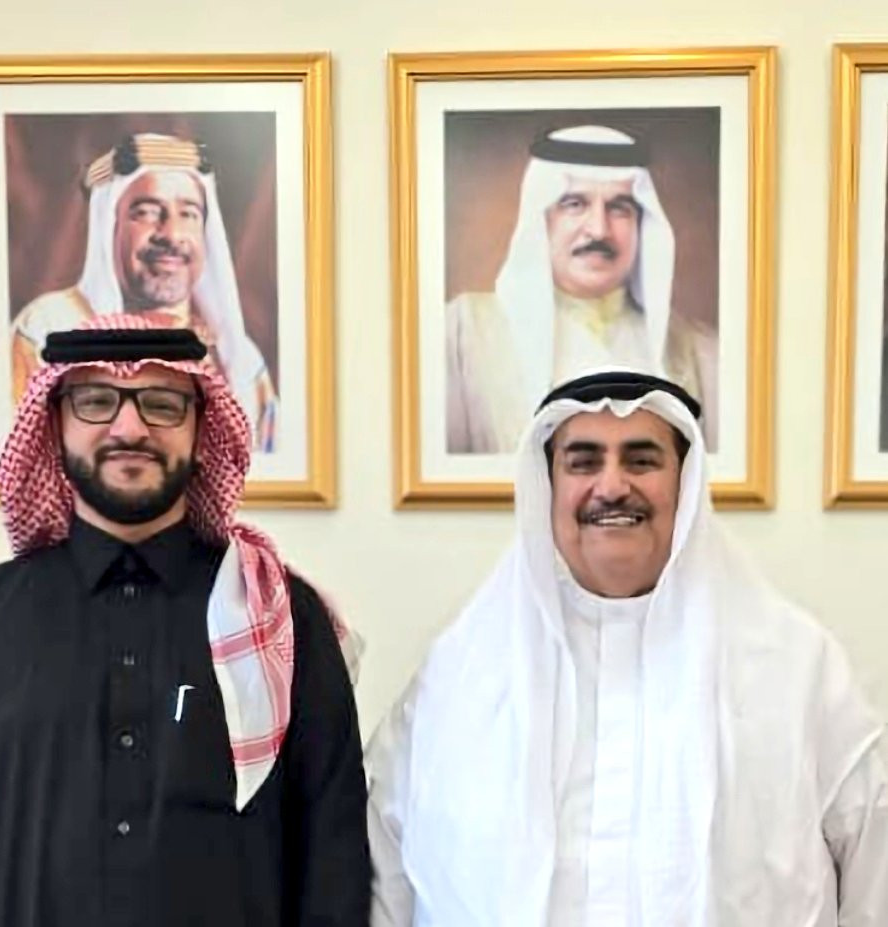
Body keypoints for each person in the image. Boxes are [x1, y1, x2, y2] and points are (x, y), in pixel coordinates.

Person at [0, 316, 369, 926]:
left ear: (201, 428)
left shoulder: (279, 616)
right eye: (96, 401)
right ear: (54, 421)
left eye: (162, 403)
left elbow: (333, 861)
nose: (130, 428)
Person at [368, 368, 888, 926]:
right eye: (583, 462)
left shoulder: (795, 667)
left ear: (685, 486)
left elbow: (872, 860)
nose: (612, 485)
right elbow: (386, 876)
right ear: (548, 487)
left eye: (641, 461)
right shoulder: (459, 676)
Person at [446, 125, 718, 453]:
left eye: (619, 208)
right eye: (574, 204)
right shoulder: (464, 332)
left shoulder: (700, 352)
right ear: (542, 220)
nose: (599, 230)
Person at [11, 132, 278, 451]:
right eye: (147, 212)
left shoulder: (241, 361)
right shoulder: (47, 332)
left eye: (189, 214)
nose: (172, 234)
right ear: (109, 226)